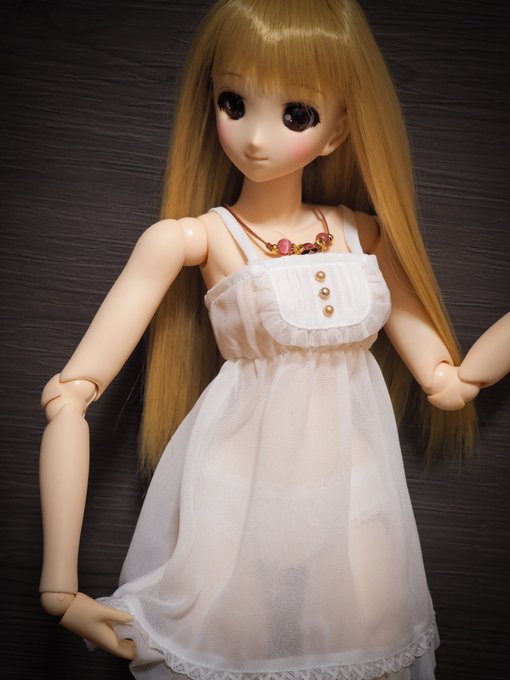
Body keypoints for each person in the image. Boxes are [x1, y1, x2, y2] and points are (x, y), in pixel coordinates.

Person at [39, 1, 490, 678]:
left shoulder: (364, 235)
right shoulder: (192, 238)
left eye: (296, 114)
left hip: (356, 490)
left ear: (338, 131)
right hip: (234, 490)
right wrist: (60, 587)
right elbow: (71, 393)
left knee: (381, 649)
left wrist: (472, 373)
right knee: (225, 656)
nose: (255, 138)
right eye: (233, 103)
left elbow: (446, 381)